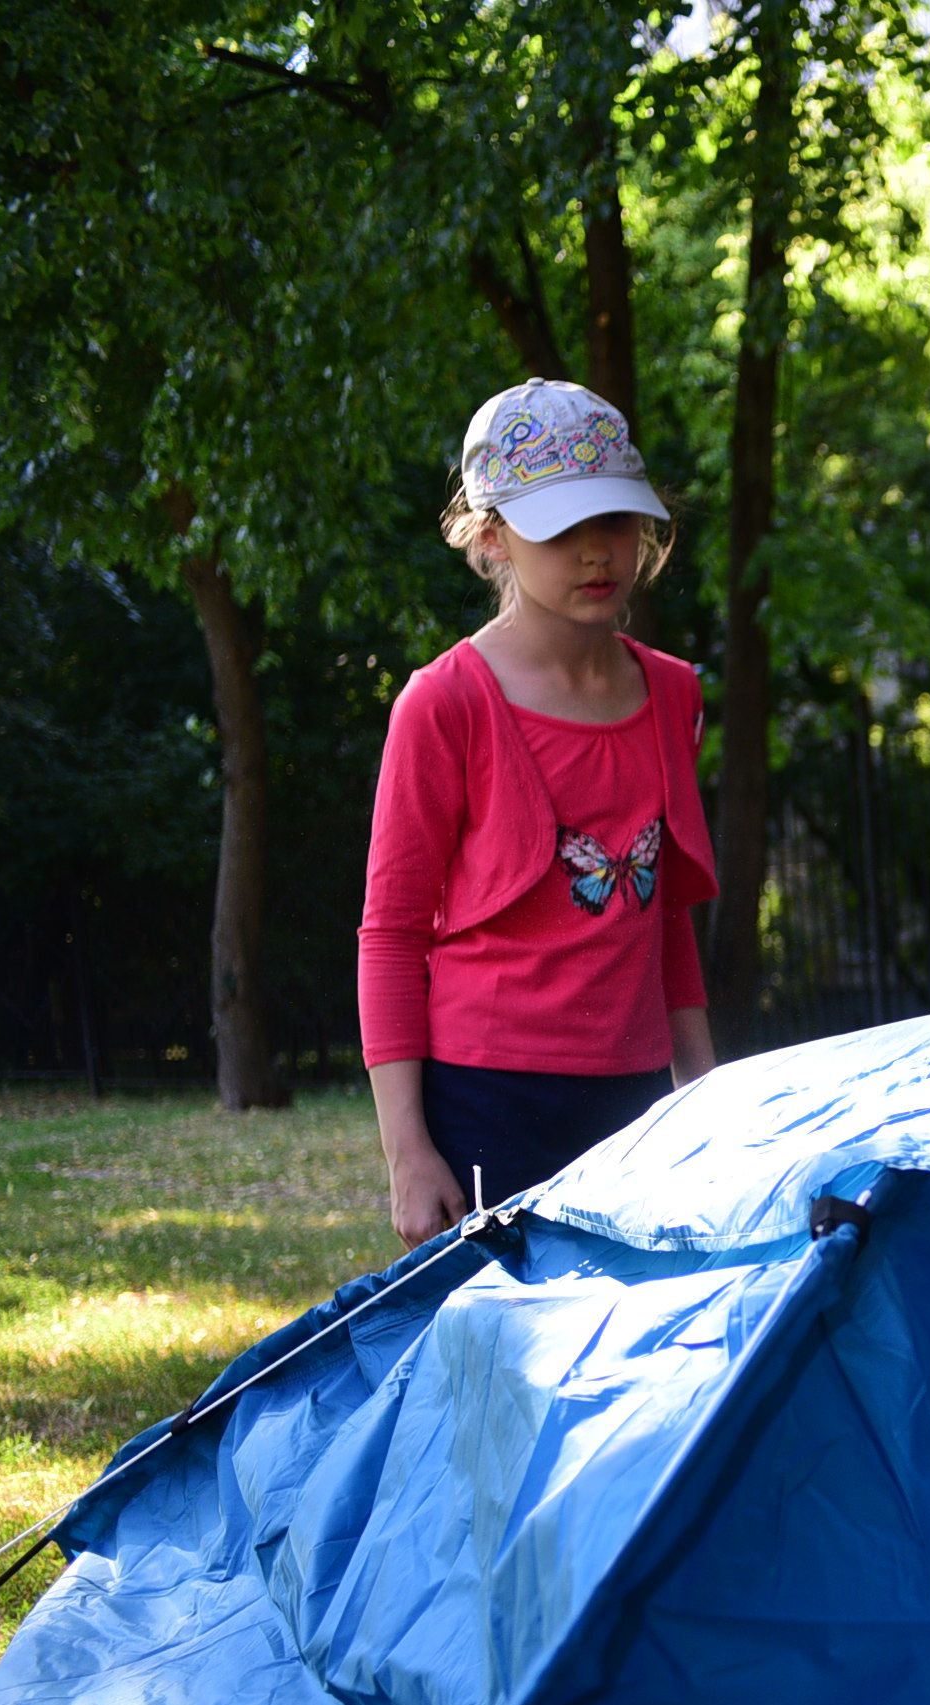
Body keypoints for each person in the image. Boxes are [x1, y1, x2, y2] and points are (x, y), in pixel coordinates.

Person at [360, 379, 718, 1247]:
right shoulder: (443, 705)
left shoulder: (672, 694)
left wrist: (706, 1095)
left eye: (617, 522)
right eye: (561, 529)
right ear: (491, 539)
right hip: (486, 1098)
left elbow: (662, 914)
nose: (597, 553)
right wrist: (408, 1152)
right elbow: (392, 933)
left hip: (638, 1102)